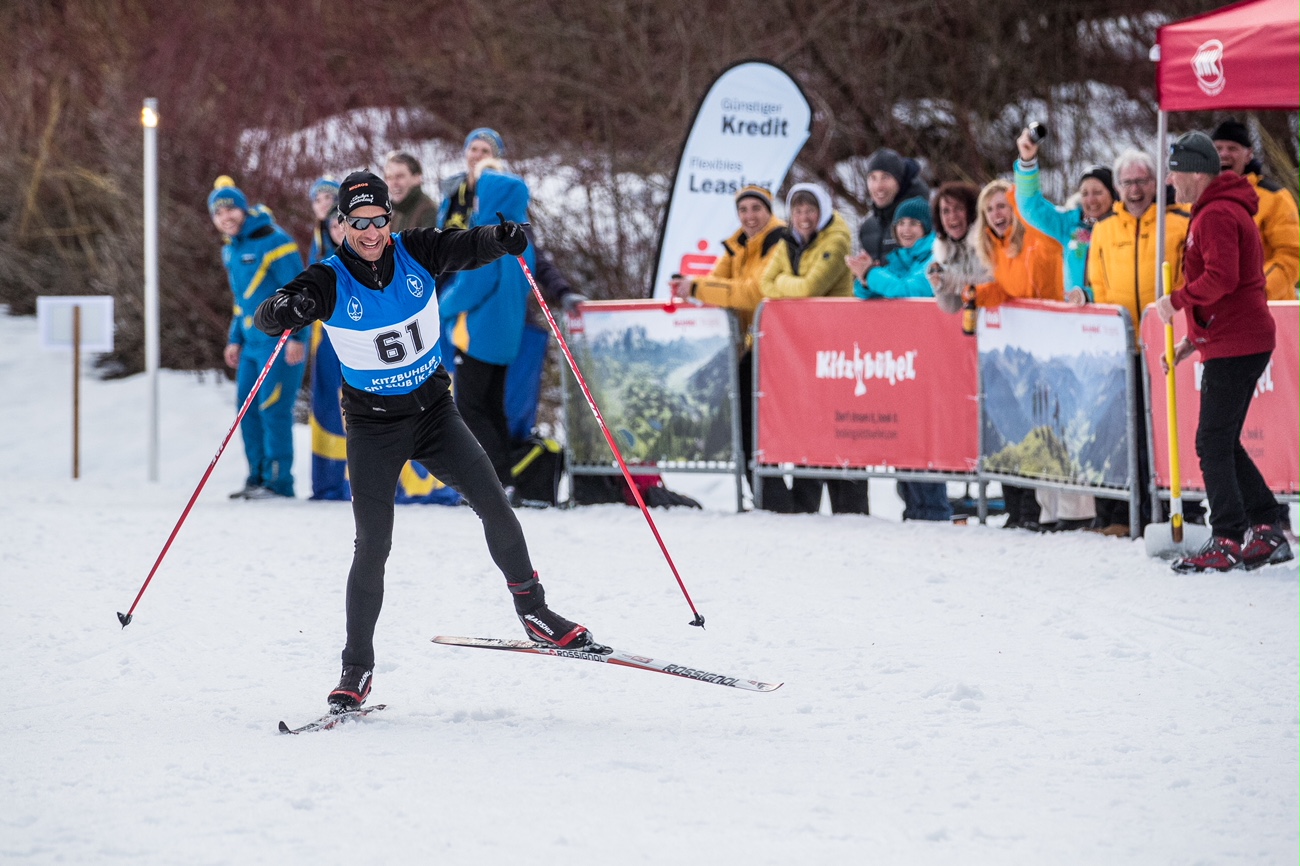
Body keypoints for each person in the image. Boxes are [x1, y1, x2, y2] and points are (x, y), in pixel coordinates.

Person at [253, 170, 593, 710]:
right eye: (358, 222)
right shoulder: (328, 278)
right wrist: (283, 312)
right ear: (342, 225)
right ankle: (355, 669)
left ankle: (535, 613)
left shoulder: (416, 251)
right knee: (374, 545)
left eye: (378, 220)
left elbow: (466, 246)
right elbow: (270, 314)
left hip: (434, 414)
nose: (369, 232)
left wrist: (500, 241)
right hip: (373, 427)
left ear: (390, 220)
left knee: (494, 504)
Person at [1156, 131, 1292, 573]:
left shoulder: (1215, 215)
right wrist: (1189, 343)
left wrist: (1175, 301)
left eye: (1176, 170)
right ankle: (1267, 526)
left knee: (1211, 441)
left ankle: (1228, 536)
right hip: (1234, 339)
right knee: (1223, 440)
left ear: (1197, 172)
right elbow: (1224, 294)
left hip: (1238, 343)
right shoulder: (1217, 210)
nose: (1171, 180)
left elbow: (1222, 279)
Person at [1013, 129, 1118, 531]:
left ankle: (1114, 510)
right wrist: (1027, 163)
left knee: (1110, 421)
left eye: (1098, 192)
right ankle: (1083, 510)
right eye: (1086, 192)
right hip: (1079, 336)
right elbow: (1032, 208)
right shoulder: (1073, 226)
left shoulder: (1123, 224)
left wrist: (1088, 293)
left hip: (1112, 325)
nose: (1091, 200)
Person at [1086, 148, 1193, 534]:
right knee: (1120, 430)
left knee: (1169, 428)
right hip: (1121, 347)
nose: (1135, 189)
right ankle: (1119, 512)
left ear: (1156, 183)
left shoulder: (1176, 223)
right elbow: (1098, 282)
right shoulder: (1105, 228)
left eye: (1142, 181)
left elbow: (1185, 277)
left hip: (1166, 341)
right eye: (1128, 182)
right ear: (1118, 186)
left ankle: (1180, 510)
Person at [668, 185, 789, 511]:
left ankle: (777, 500)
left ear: (769, 210)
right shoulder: (738, 245)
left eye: (756, 209)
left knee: (766, 429)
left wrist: (697, 286)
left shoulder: (779, 241)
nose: (750, 216)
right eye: (744, 210)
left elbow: (754, 292)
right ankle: (767, 499)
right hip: (747, 347)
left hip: (775, 347)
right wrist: (690, 285)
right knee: (747, 427)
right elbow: (715, 282)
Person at [760, 182, 869, 514]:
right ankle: (807, 504)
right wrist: (784, 286)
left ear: (821, 211)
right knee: (809, 422)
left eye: (810, 210)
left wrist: (782, 285)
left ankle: (849, 506)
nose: (804, 217)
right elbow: (763, 282)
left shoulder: (837, 238)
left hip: (837, 344)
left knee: (843, 424)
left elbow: (810, 286)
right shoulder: (789, 240)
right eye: (798, 210)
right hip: (804, 347)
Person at [848, 196, 952, 522]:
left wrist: (872, 276)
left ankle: (933, 509)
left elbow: (910, 289)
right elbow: (862, 291)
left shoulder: (936, 257)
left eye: (913, 224)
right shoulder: (897, 258)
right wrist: (867, 276)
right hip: (902, 362)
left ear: (926, 228)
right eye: (902, 224)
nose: (906, 230)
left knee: (923, 437)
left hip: (931, 361)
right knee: (904, 436)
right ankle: (913, 506)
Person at [438, 157, 536, 498]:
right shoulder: (522, 239)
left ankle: (493, 481)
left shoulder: (488, 239)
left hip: (478, 336)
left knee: (471, 408)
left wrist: (440, 308)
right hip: (507, 337)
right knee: (493, 407)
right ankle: (504, 477)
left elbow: (470, 287)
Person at [969, 179, 1065, 530]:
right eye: (990, 208)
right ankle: (1019, 507)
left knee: (1043, 427)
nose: (997, 214)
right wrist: (974, 294)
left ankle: (1042, 509)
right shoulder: (993, 248)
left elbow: (1033, 283)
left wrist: (1017, 191)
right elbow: (1005, 292)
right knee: (1013, 426)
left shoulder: (1034, 238)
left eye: (1002, 206)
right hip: (1016, 347)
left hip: (1049, 341)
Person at [208, 176, 307, 500]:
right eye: (218, 213)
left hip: (279, 341)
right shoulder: (230, 250)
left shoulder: (275, 241)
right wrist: (233, 339)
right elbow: (242, 301)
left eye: (231, 210)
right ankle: (257, 477)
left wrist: (298, 336)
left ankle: (279, 482)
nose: (226, 218)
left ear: (243, 209)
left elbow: (301, 292)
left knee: (273, 407)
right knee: (246, 409)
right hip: (251, 343)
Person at [1211, 119, 1300, 301]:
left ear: (1248, 154)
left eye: (1232, 148)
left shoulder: (1275, 197)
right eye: (1218, 149)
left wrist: (1257, 293)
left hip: (1267, 309)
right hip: (1215, 312)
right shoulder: (1197, 199)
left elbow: (1291, 255)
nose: (1224, 154)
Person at [304, 176, 351, 501]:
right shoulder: (318, 243)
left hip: (351, 336)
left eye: (329, 199)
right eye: (317, 199)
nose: (323, 205)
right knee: (327, 405)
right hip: (324, 338)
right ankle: (330, 481)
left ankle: (354, 479)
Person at [856, 148, 929, 266]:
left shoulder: (923, 220)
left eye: (885, 177)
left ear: (899, 181)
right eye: (873, 178)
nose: (878, 186)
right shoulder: (867, 228)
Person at [927, 181, 991, 314]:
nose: (952, 216)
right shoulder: (945, 252)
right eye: (945, 211)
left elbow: (991, 283)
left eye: (959, 208)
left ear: (971, 211)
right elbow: (950, 308)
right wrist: (939, 284)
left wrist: (951, 281)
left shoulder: (987, 241)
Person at [383, 151, 439, 232]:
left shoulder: (428, 212)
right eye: (389, 177)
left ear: (417, 178)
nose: (393, 183)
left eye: (400, 176)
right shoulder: (395, 214)